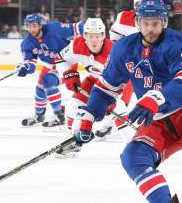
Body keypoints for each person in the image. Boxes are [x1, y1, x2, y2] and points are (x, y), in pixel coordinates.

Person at [71, 0, 182, 203]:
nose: (151, 29)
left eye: (156, 23)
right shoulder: (124, 48)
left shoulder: (178, 42)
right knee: (133, 157)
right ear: (138, 22)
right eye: (146, 23)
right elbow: (107, 87)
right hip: (158, 118)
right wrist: (88, 115)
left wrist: (156, 98)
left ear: (164, 22)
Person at [53, 18, 130, 157]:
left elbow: (125, 79)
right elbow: (61, 58)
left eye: (97, 36)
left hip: (115, 86)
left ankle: (133, 147)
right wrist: (68, 74)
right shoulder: (77, 45)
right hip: (93, 81)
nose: (94, 40)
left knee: (120, 109)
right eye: (90, 36)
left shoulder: (114, 52)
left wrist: (110, 99)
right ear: (84, 37)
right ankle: (74, 143)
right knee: (72, 107)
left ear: (103, 36)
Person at [91, 0, 152, 140]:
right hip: (127, 65)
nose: (142, 7)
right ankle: (110, 126)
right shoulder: (124, 17)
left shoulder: (155, 22)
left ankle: (108, 125)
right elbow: (114, 37)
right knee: (121, 98)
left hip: (147, 66)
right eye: (139, 4)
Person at [17, 14, 84, 128]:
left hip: (66, 61)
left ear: (40, 25)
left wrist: (92, 37)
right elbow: (31, 65)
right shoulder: (27, 43)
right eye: (29, 26)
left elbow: (78, 27)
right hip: (50, 65)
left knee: (49, 81)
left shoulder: (54, 29)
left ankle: (59, 115)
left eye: (34, 26)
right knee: (40, 88)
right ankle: (39, 116)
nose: (32, 29)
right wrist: (26, 68)